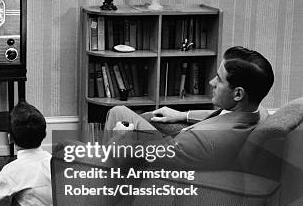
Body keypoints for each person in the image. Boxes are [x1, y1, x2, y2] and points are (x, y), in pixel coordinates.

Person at [100, 46, 274, 170]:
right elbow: (222, 116)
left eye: (219, 80)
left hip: (163, 158)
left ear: (238, 94)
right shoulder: (255, 112)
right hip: (180, 143)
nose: (211, 82)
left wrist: (121, 138)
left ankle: (110, 186)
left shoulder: (205, 141)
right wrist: (183, 115)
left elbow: (146, 156)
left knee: (117, 126)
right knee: (120, 111)